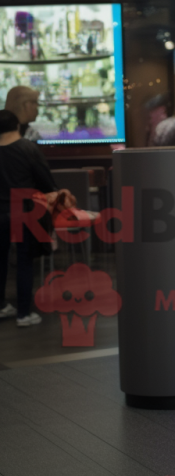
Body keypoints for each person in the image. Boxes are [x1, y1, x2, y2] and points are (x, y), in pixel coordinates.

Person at [0, 110, 72, 326]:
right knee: (24, 261)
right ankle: (24, 314)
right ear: (17, 126)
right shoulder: (28, 149)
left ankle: (1, 307)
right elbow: (46, 182)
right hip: (24, 210)